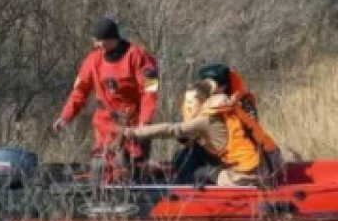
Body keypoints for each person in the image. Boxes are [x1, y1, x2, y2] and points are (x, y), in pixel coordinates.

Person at [120, 79, 282, 187]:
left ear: (203, 102)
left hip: (250, 174)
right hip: (267, 163)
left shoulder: (206, 120)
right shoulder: (225, 110)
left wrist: (133, 133)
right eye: (187, 103)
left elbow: (171, 129)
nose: (188, 107)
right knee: (192, 154)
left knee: (198, 174)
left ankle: (182, 198)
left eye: (192, 103)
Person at [53, 17, 160, 181]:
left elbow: (150, 91)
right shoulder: (93, 60)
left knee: (129, 170)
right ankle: (97, 202)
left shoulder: (138, 56)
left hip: (132, 125)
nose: (98, 46)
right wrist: (66, 116)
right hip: (105, 125)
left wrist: (144, 122)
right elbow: (80, 91)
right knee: (100, 169)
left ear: (113, 39)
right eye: (96, 42)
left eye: (102, 42)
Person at [172, 64, 271, 184]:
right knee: (184, 156)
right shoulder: (199, 102)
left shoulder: (240, 103)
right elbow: (186, 134)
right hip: (211, 148)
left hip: (237, 156)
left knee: (191, 160)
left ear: (224, 87)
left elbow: (248, 134)